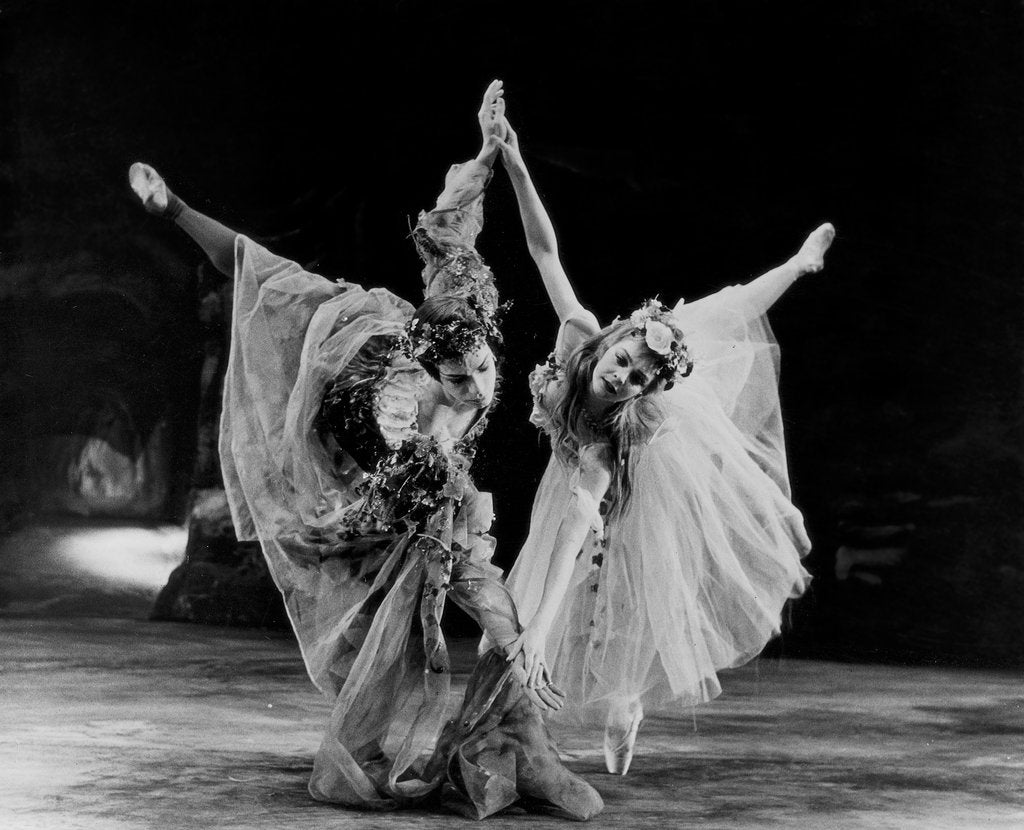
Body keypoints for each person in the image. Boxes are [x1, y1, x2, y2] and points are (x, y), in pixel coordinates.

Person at [129, 81, 602, 819]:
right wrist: (174, 210)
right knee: (394, 636)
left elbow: (449, 228)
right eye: (458, 379)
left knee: (503, 624)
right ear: (427, 368)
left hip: (426, 493)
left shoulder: (462, 310)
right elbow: (255, 269)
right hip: (360, 508)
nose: (477, 388)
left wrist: (487, 154)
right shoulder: (396, 414)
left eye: (483, 369)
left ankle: (520, 748)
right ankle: (379, 744)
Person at [492, 113, 834, 776]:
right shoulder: (579, 333)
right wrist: (516, 162)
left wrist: (540, 627)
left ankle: (625, 703)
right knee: (701, 318)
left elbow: (574, 532)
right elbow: (543, 252)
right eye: (624, 361)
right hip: (575, 469)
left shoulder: (608, 443)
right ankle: (512, 706)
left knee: (623, 592)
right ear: (612, 340)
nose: (622, 377)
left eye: (637, 381)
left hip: (634, 481)